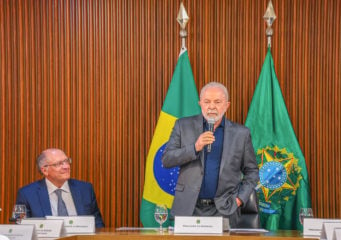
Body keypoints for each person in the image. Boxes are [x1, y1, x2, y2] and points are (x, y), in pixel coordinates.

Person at [162, 82, 259, 228]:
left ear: (227, 105)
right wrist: (195, 147)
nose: (212, 106)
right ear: (200, 103)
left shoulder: (241, 133)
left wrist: (239, 199)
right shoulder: (182, 126)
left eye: (217, 102)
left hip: (225, 209)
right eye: (207, 102)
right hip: (189, 208)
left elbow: (252, 172)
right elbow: (167, 159)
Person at [15, 148, 105, 228]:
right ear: (44, 170)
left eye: (66, 161)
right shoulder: (26, 194)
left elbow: (97, 223)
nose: (66, 166)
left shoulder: (85, 189)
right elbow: (19, 226)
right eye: (58, 164)